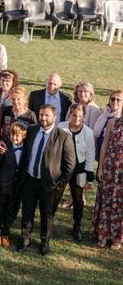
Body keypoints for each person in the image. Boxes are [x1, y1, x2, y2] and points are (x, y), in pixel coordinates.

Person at [17, 105, 76, 256]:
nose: (43, 118)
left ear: (54, 118)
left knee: (47, 214)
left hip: (49, 183)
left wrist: (61, 183)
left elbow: (70, 164)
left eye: (47, 115)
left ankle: (44, 241)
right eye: (41, 114)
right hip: (30, 179)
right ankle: (25, 238)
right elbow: (16, 139)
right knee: (27, 210)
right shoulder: (32, 130)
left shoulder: (63, 137)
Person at [57, 104, 95, 242]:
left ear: (83, 116)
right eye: (74, 115)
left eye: (80, 116)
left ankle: (77, 226)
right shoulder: (61, 126)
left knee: (78, 198)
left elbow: (90, 155)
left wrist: (89, 179)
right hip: (62, 167)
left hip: (80, 168)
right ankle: (48, 221)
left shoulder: (88, 132)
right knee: (56, 194)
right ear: (70, 115)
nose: (77, 118)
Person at [0, 121, 27, 248]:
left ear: (24, 136)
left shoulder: (26, 149)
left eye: (17, 135)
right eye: (12, 134)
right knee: (0, 210)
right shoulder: (4, 148)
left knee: (12, 210)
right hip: (3, 186)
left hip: (17, 187)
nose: (14, 137)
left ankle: (6, 231)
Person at [93, 114, 123, 249]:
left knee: (120, 203)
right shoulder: (113, 122)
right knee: (106, 199)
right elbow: (104, 146)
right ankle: (103, 234)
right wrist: (100, 167)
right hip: (110, 167)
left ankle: (117, 237)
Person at [93, 89, 123, 162]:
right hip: (99, 149)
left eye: (118, 100)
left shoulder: (120, 119)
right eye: (112, 99)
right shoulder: (104, 114)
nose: (115, 102)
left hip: (113, 155)